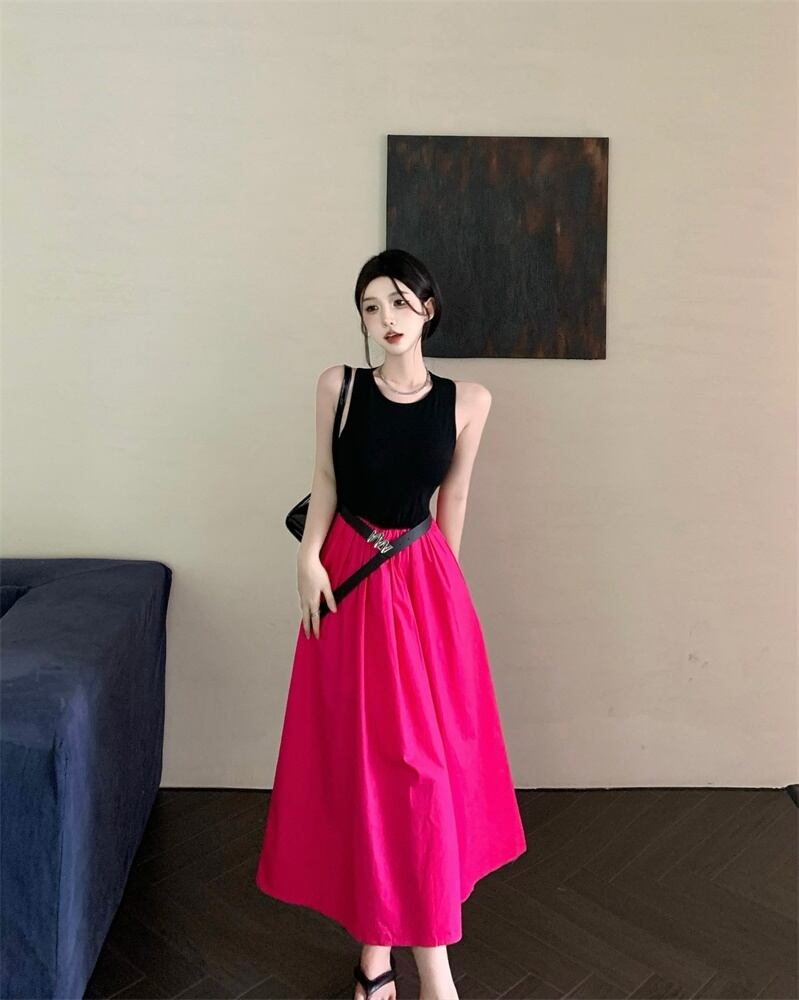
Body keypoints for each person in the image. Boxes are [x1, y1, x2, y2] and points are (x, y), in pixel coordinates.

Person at [254, 249, 527, 1000]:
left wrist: (446, 596)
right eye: (371, 307)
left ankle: (424, 972)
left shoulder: (467, 401)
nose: (386, 319)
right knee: (366, 770)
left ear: (428, 310)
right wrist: (307, 559)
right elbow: (324, 480)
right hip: (345, 581)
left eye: (401, 303)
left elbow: (454, 500)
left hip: (423, 584)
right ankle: (381, 959)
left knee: (423, 773)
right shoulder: (338, 386)